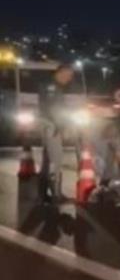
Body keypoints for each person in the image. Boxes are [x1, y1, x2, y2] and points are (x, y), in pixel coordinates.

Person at [38, 65, 75, 203]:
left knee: (47, 161)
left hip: (50, 124)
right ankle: (56, 194)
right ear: (61, 72)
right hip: (52, 125)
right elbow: (52, 109)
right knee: (56, 160)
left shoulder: (54, 86)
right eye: (68, 75)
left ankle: (43, 194)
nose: (70, 79)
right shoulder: (52, 87)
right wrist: (61, 126)